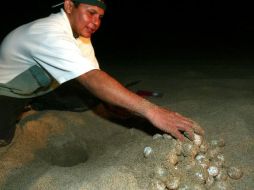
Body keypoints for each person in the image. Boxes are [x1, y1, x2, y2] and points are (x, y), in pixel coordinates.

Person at [0, 0, 204, 147]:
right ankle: (25, 105)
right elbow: (91, 79)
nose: (96, 22)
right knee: (3, 139)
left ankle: (36, 102)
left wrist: (113, 104)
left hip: (41, 87)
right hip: (7, 90)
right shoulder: (47, 33)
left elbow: (94, 73)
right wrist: (153, 111)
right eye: (90, 13)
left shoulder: (80, 36)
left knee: (94, 100)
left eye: (100, 17)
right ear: (69, 6)